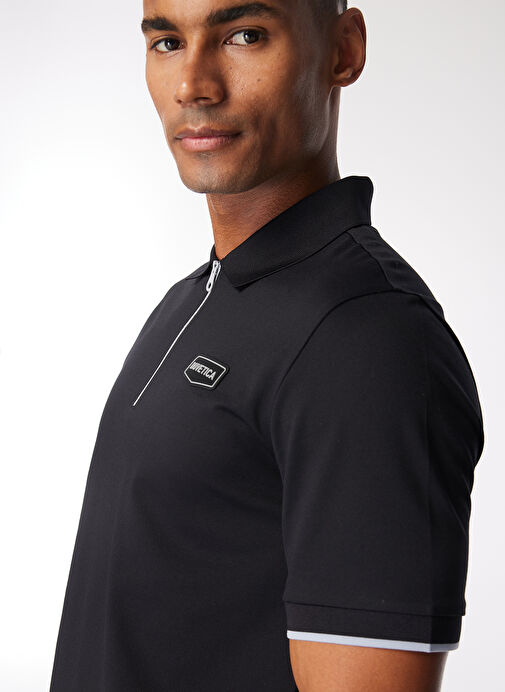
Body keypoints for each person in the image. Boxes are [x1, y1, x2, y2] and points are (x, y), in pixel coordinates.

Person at [49, 1, 485, 690]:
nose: (193, 84)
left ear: (343, 50)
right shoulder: (199, 295)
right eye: (167, 41)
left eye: (244, 36)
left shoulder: (366, 338)